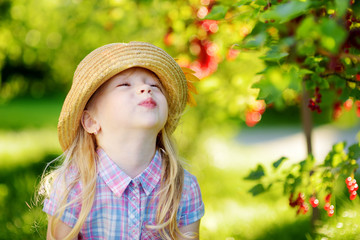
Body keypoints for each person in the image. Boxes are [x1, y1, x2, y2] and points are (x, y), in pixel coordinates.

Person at [39, 42, 204, 240]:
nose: (146, 88)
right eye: (125, 84)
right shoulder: (73, 185)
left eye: (155, 85)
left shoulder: (183, 187)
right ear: (91, 121)